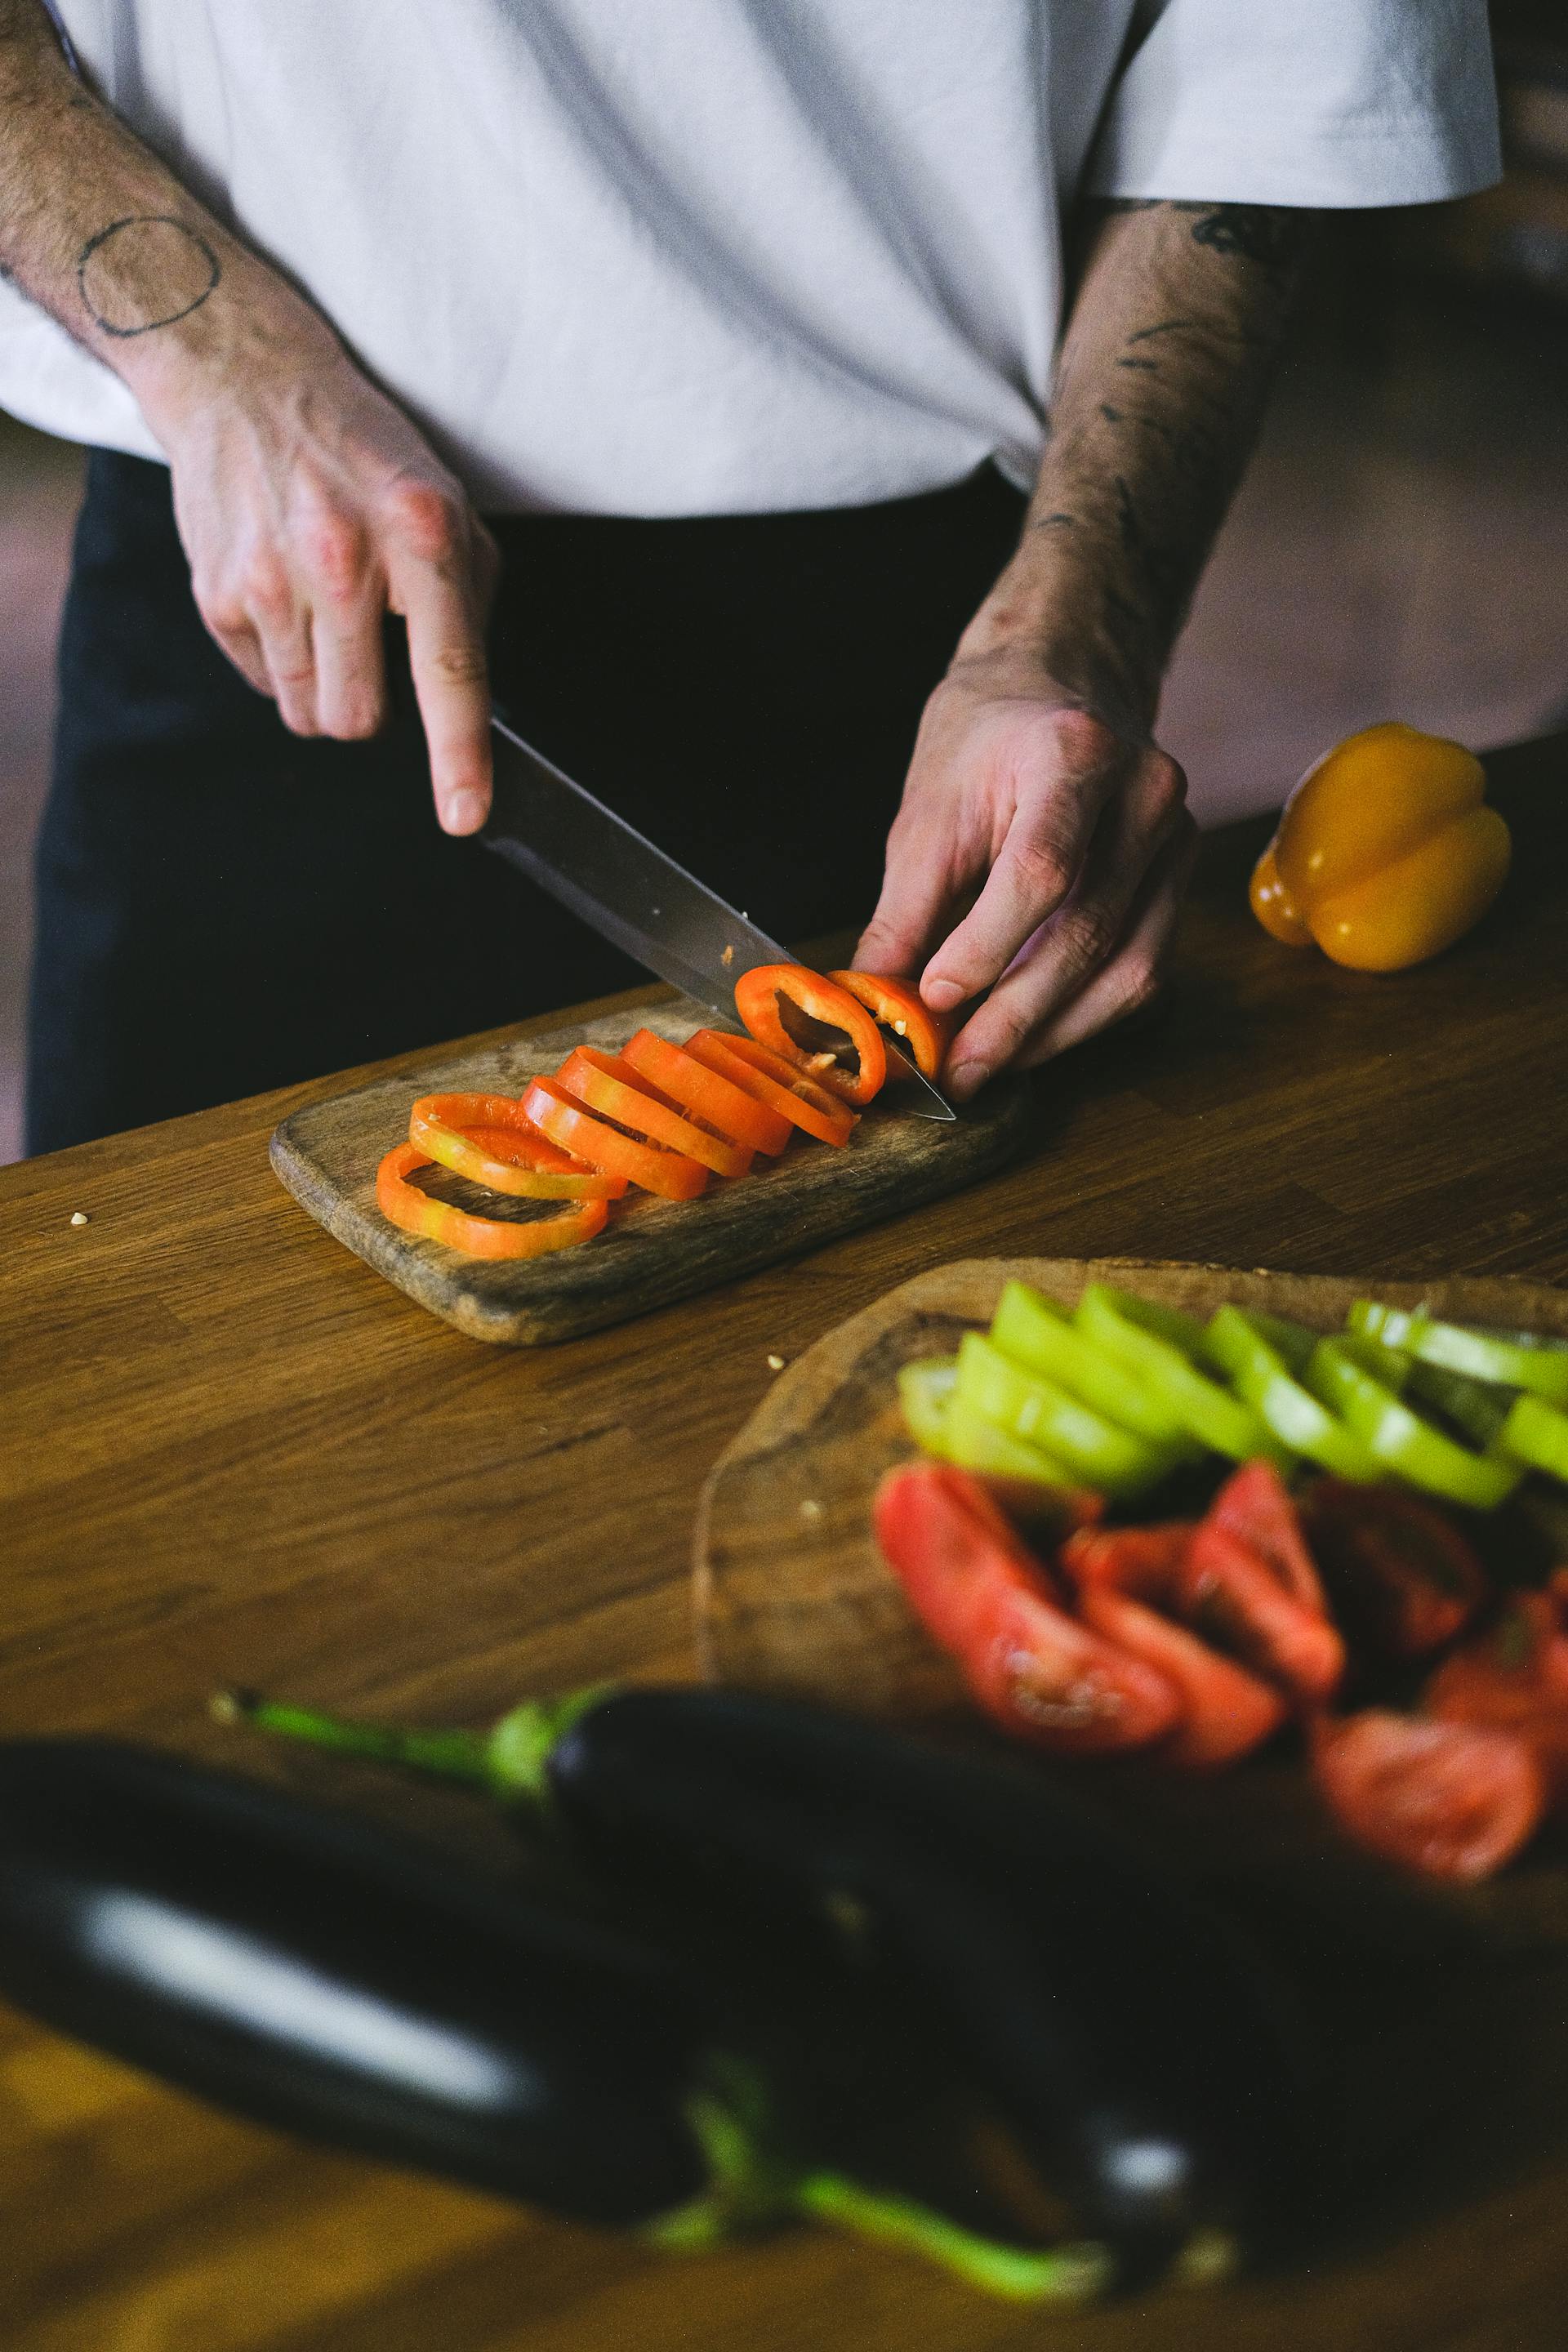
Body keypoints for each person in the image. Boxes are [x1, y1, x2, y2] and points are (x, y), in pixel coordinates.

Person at [0, 3, 1499, 1154]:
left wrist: (1078, 627)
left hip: (927, 690)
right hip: (287, 578)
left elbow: (1278, 68)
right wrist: (207, 350)